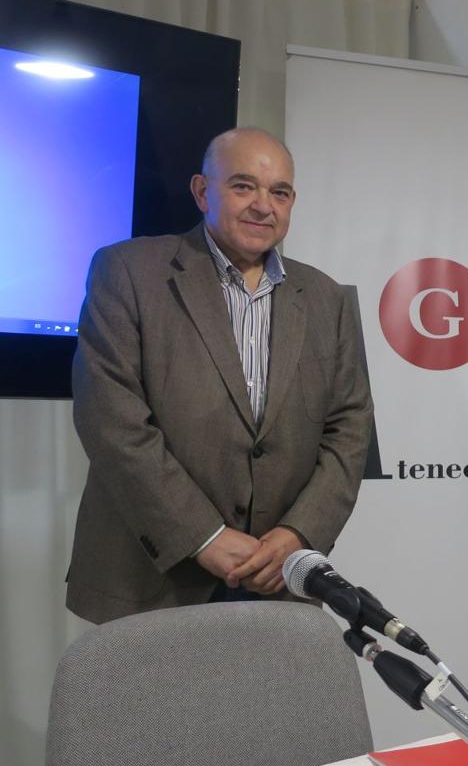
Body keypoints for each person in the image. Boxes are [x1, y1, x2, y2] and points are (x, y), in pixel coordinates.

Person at [66, 127, 373, 624]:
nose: (262, 206)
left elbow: (351, 430)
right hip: (155, 579)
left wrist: (298, 535)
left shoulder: (327, 298)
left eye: (279, 193)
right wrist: (202, 535)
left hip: (277, 580)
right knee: (154, 707)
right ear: (201, 191)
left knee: (265, 706)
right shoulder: (127, 271)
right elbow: (111, 420)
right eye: (243, 186)